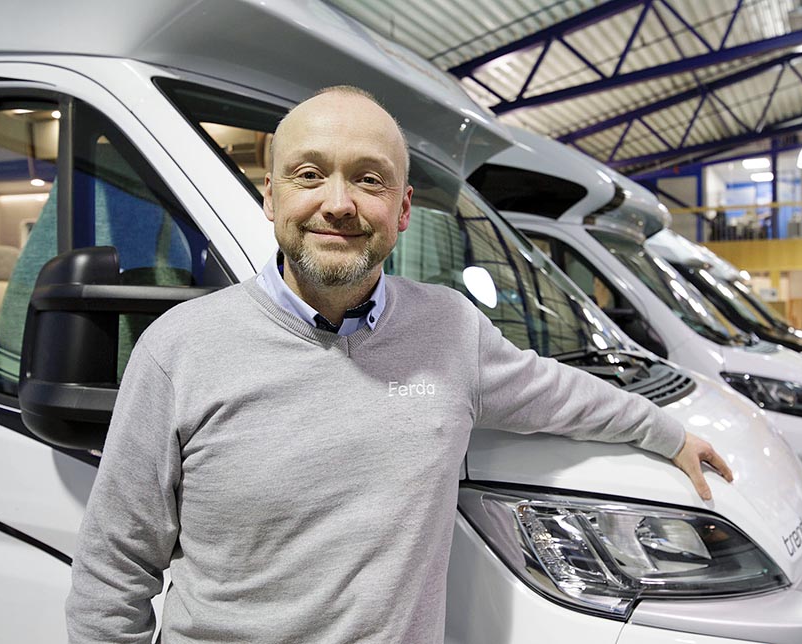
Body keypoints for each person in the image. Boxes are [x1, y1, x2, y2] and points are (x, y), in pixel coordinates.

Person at [66, 86, 732, 644]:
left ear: (404, 208)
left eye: (369, 179)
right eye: (309, 174)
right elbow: (113, 574)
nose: (338, 203)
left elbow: (559, 392)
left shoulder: (451, 331)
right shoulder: (179, 350)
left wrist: (668, 434)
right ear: (270, 197)